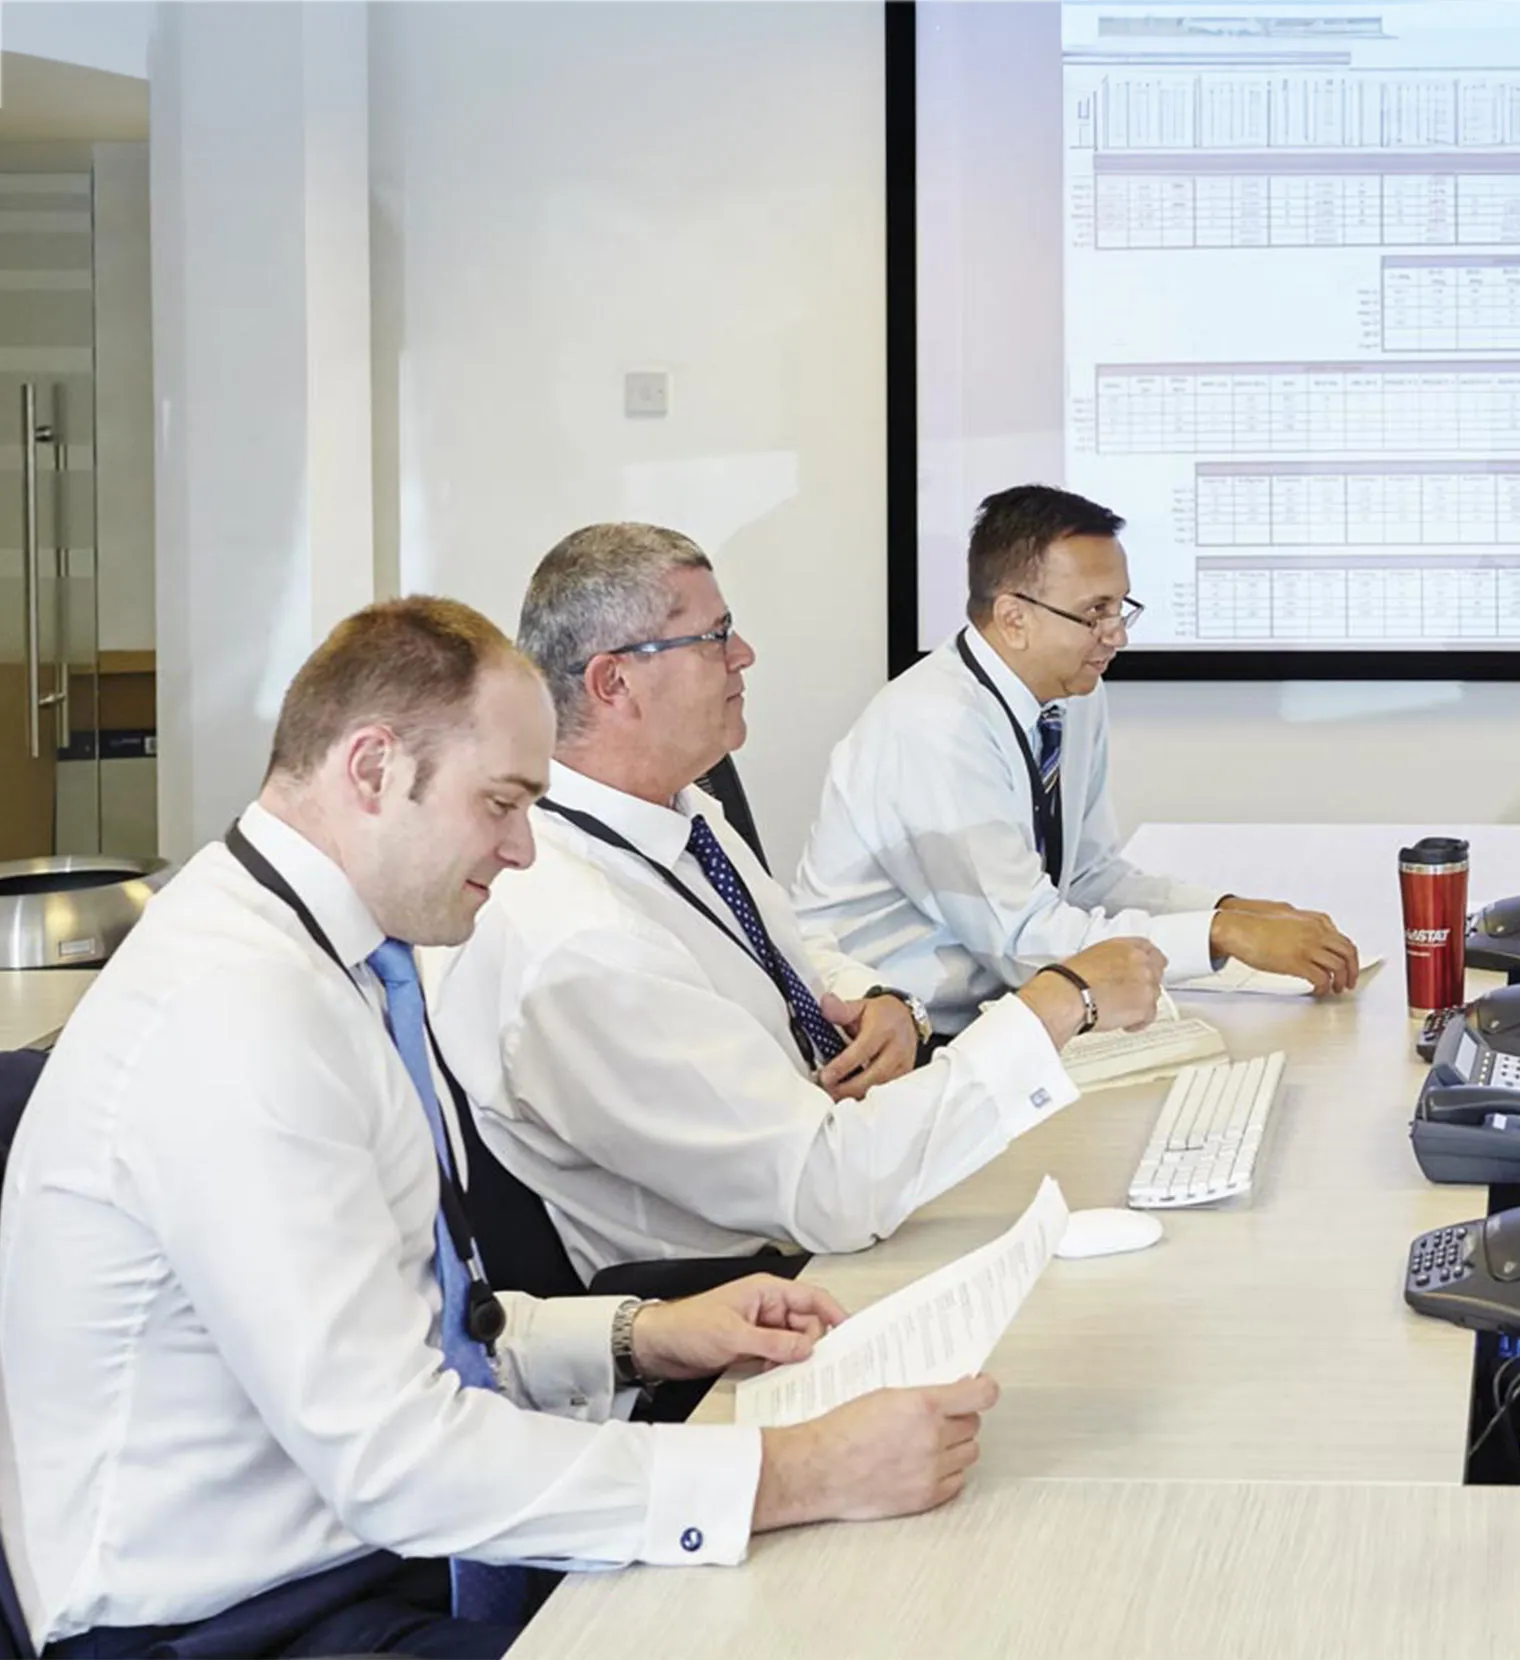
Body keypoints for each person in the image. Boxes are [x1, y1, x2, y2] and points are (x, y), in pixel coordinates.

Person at [0, 600, 998, 1658]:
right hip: (231, 1624)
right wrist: (802, 1470)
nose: (525, 850)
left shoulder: (331, 959)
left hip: (359, 1563)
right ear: (374, 768)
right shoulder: (237, 1014)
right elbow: (396, 1456)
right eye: (502, 805)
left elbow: (404, 1338)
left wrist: (638, 1335)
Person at [428, 525, 1164, 1282]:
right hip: (762, 1289)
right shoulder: (582, 940)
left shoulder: (679, 811)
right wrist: (1056, 1005)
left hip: (833, 1202)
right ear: (614, 682)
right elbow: (826, 1191)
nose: (744, 656)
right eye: (714, 638)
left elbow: (788, 954)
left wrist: (880, 1001)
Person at [793, 484, 1358, 1036]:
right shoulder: (933, 727)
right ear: (1014, 618)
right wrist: (1221, 934)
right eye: (1094, 613)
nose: (1117, 637)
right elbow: (1024, 943)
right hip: (892, 1038)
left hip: (998, 1017)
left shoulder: (1071, 695)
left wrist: (1235, 911)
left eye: (1120, 608)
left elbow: (1086, 877)